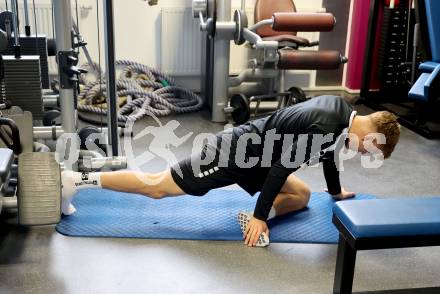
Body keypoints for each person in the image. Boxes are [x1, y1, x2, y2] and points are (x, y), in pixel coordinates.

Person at [61, 95, 401, 247]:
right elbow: (280, 170)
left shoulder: (342, 111)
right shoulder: (327, 128)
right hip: (230, 156)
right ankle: (78, 180)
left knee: (302, 196)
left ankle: (248, 215)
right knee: (157, 186)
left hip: (257, 156)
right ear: (372, 135)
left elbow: (328, 156)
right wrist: (260, 216)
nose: (364, 153)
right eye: (371, 148)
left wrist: (337, 191)